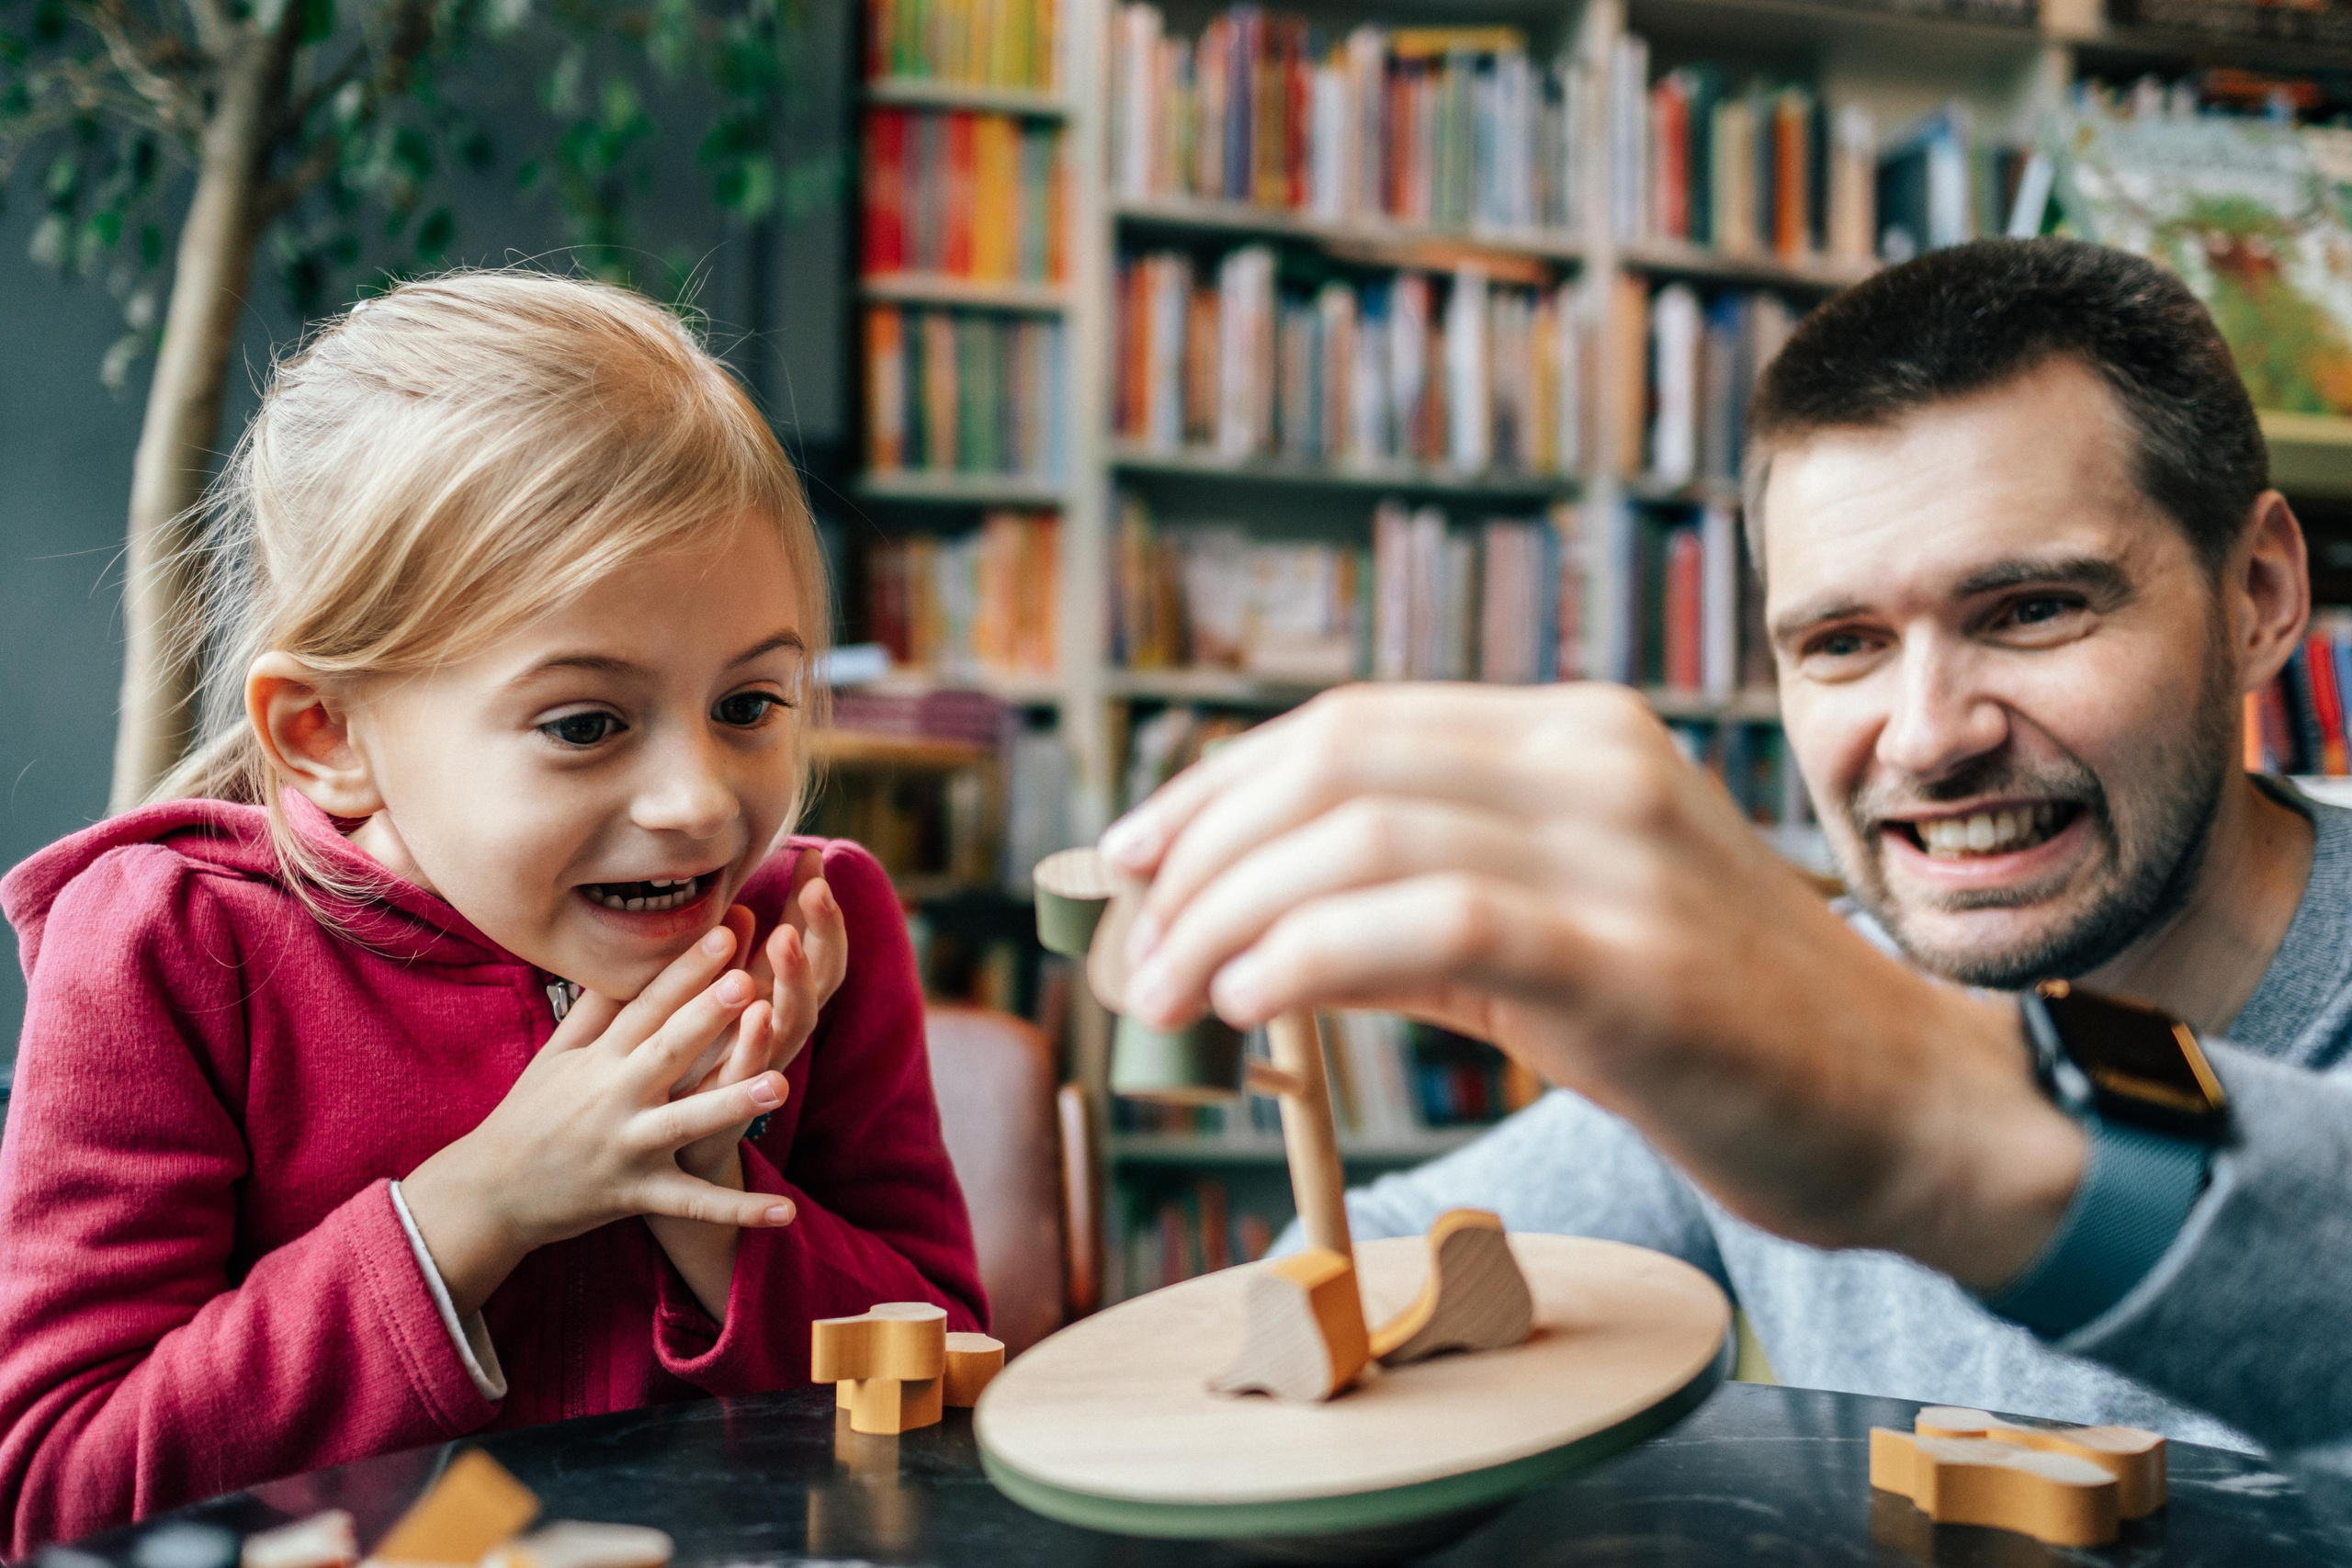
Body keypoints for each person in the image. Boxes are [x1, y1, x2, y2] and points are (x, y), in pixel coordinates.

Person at [1099, 238, 2352, 1473]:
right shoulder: (1800, 999)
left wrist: (1918, 1109)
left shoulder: (1824, 1020)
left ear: (2258, 594)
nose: (1927, 737)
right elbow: (1381, 1250)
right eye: (1843, 643)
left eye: (2032, 609)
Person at [0, 272, 985, 1554]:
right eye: (586, 724)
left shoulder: (815, 922)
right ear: (327, 733)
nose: (698, 804)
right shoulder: (167, 942)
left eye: (750, 705)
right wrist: (480, 1204)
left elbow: (954, 1399)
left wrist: (706, 1176)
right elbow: (56, 1494)